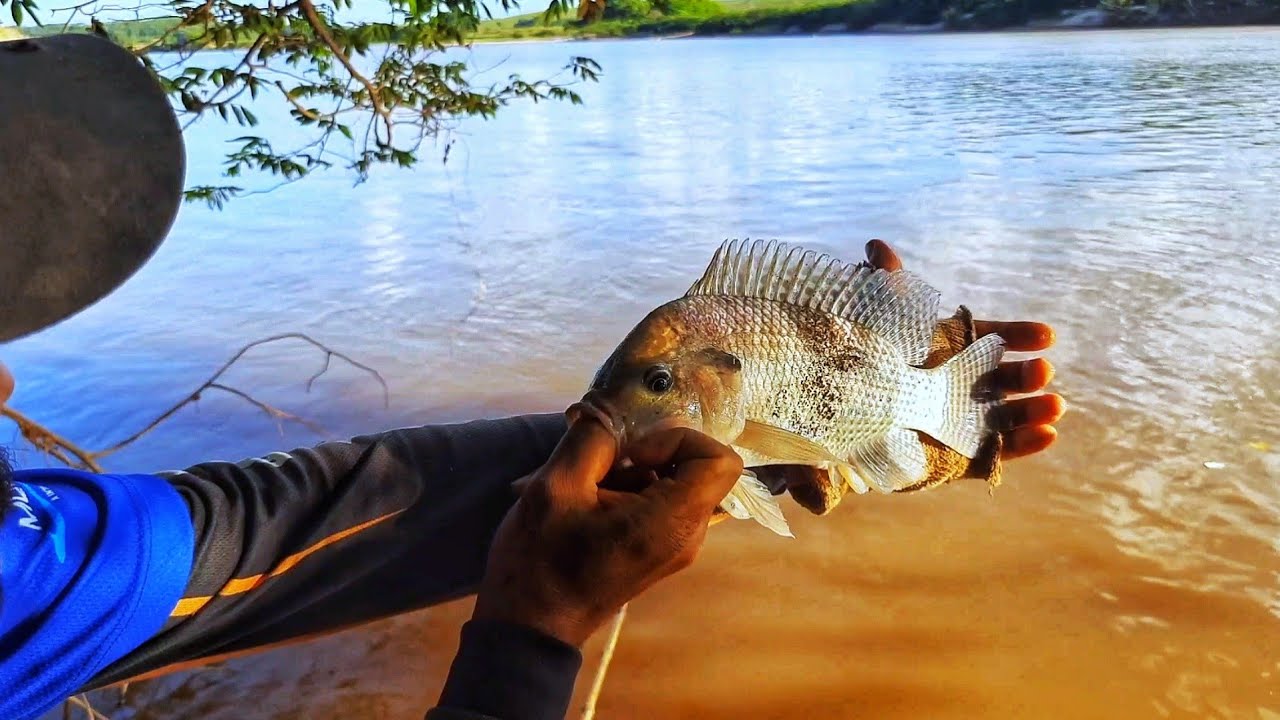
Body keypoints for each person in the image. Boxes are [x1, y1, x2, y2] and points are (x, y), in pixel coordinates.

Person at [0, 32, 1064, 720]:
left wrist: (779, 459)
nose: (7, 392)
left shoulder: (29, 570)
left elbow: (262, 530)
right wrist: (534, 631)